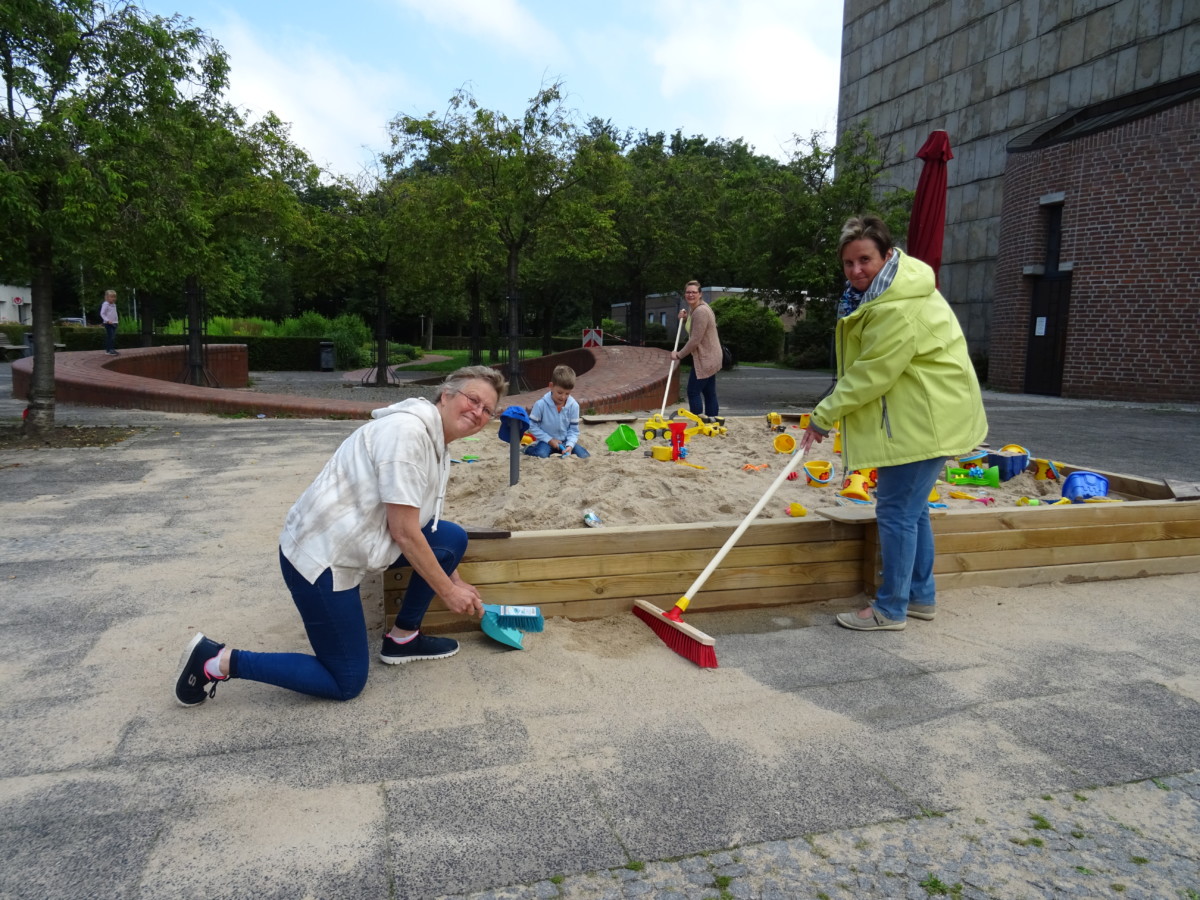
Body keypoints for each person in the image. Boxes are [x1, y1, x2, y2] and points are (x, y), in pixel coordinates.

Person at [174, 365, 508, 706]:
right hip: (321, 560)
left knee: (449, 537)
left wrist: (456, 578)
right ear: (447, 395)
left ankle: (403, 639)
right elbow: (405, 533)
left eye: (487, 410)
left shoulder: (436, 441)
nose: (478, 412)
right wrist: (449, 592)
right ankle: (216, 660)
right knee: (345, 679)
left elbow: (423, 525)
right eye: (473, 399)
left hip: (352, 544)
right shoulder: (408, 434)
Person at [799, 215, 987, 632]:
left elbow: (871, 374)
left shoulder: (895, 308)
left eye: (865, 259)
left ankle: (890, 609)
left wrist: (822, 417)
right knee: (912, 511)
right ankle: (920, 597)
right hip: (921, 413)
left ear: (886, 255)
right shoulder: (888, 292)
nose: (856, 270)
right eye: (848, 263)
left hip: (926, 418)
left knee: (897, 512)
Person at [671, 280, 722, 418]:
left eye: (694, 292)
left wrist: (679, 355)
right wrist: (686, 318)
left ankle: (699, 421)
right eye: (688, 292)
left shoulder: (701, 311)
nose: (690, 295)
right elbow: (694, 328)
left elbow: (694, 340)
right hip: (711, 356)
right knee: (709, 392)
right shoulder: (696, 309)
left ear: (700, 294)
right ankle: (712, 421)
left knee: (693, 391)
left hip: (706, 358)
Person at [524, 364, 589, 458]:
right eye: (559, 392)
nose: (563, 397)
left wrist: (570, 445)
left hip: (565, 442)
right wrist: (549, 440)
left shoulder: (574, 406)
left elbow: (574, 430)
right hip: (546, 442)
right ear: (551, 386)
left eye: (567, 393)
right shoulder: (541, 404)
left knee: (584, 455)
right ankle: (528, 449)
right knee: (541, 454)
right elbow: (532, 426)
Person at [100, 290, 119, 355]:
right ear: (107, 297)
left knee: (112, 337)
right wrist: (107, 320)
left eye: (114, 297)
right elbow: (102, 313)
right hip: (108, 323)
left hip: (114, 323)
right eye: (111, 297)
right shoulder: (105, 304)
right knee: (110, 337)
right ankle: (110, 350)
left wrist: (116, 321)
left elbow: (114, 314)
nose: (113, 298)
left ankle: (109, 350)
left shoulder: (114, 305)